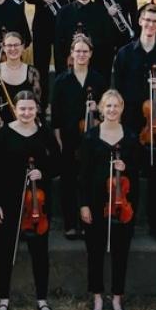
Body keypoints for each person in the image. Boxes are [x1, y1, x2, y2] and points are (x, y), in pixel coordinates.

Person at [0, 92, 61, 310]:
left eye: (31, 109)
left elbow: (58, 163)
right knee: (5, 251)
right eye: (22, 109)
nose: (27, 113)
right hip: (9, 201)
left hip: (38, 202)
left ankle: (42, 299)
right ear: (15, 109)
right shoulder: (4, 134)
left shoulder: (44, 133)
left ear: (37, 110)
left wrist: (44, 172)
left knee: (40, 252)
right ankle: (3, 300)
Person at [113, 4, 156, 242]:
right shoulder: (125, 53)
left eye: (155, 21)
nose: (151, 24)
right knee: (130, 173)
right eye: (147, 20)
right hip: (131, 125)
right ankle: (127, 222)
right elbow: (116, 91)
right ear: (139, 21)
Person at [79, 90, 139, 310]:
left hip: (122, 203)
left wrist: (128, 168)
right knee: (94, 250)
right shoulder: (90, 137)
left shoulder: (131, 137)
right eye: (108, 106)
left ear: (122, 108)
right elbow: (83, 175)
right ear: (101, 109)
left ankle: (117, 297)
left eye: (116, 106)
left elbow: (137, 170)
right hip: (95, 203)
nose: (112, 110)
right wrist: (83, 205)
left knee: (120, 252)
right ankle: (96, 296)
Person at [52, 34, 108, 240]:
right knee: (68, 181)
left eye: (85, 51)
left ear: (91, 54)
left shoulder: (99, 80)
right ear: (72, 54)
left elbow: (107, 111)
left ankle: (87, 222)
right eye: (78, 51)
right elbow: (56, 116)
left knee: (90, 180)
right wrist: (58, 140)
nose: (81, 54)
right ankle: (70, 224)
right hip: (68, 139)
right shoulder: (61, 81)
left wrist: (98, 110)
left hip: (92, 140)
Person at [25, 0, 74, 111]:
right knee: (41, 66)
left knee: (62, 66)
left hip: (61, 25)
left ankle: (61, 105)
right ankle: (41, 104)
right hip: (42, 26)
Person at [54, 0, 112, 82]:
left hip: (96, 68)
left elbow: (107, 44)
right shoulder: (63, 12)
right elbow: (58, 44)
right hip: (70, 67)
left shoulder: (102, 12)